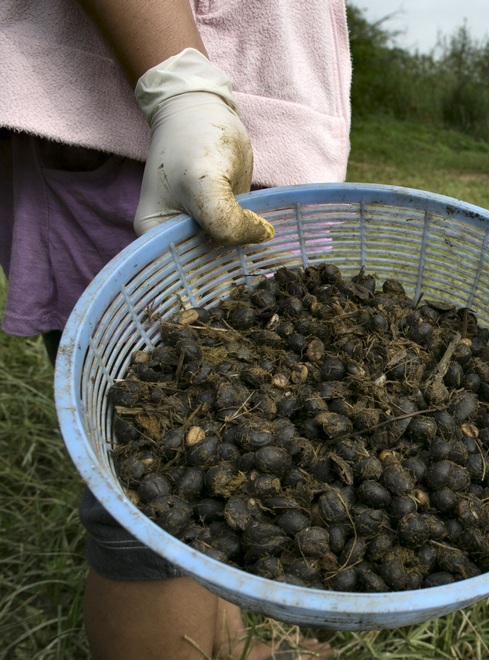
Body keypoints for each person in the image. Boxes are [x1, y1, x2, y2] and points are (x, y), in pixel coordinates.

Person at [0, 0, 351, 657]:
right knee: (149, 489)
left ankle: (227, 642)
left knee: (231, 456)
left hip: (245, 144)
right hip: (137, 126)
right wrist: (179, 86)